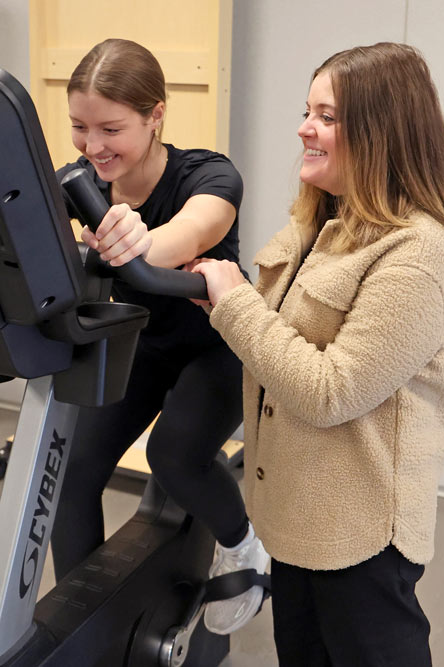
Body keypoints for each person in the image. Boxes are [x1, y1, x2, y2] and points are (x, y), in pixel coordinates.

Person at [190, 42, 444, 665]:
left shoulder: (419, 254)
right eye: (306, 110)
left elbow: (330, 391)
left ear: (379, 132)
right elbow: (269, 327)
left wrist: (234, 303)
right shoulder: (318, 219)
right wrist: (217, 294)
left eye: (327, 115)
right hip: (294, 516)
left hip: (360, 535)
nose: (303, 128)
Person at [49, 38, 269, 635]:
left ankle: (245, 545)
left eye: (111, 129)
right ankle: (82, 625)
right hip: (144, 343)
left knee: (172, 454)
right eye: (79, 127)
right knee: (72, 471)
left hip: (217, 346)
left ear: (155, 115)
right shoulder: (79, 184)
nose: (94, 147)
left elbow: (184, 237)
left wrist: (136, 248)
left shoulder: (211, 174)